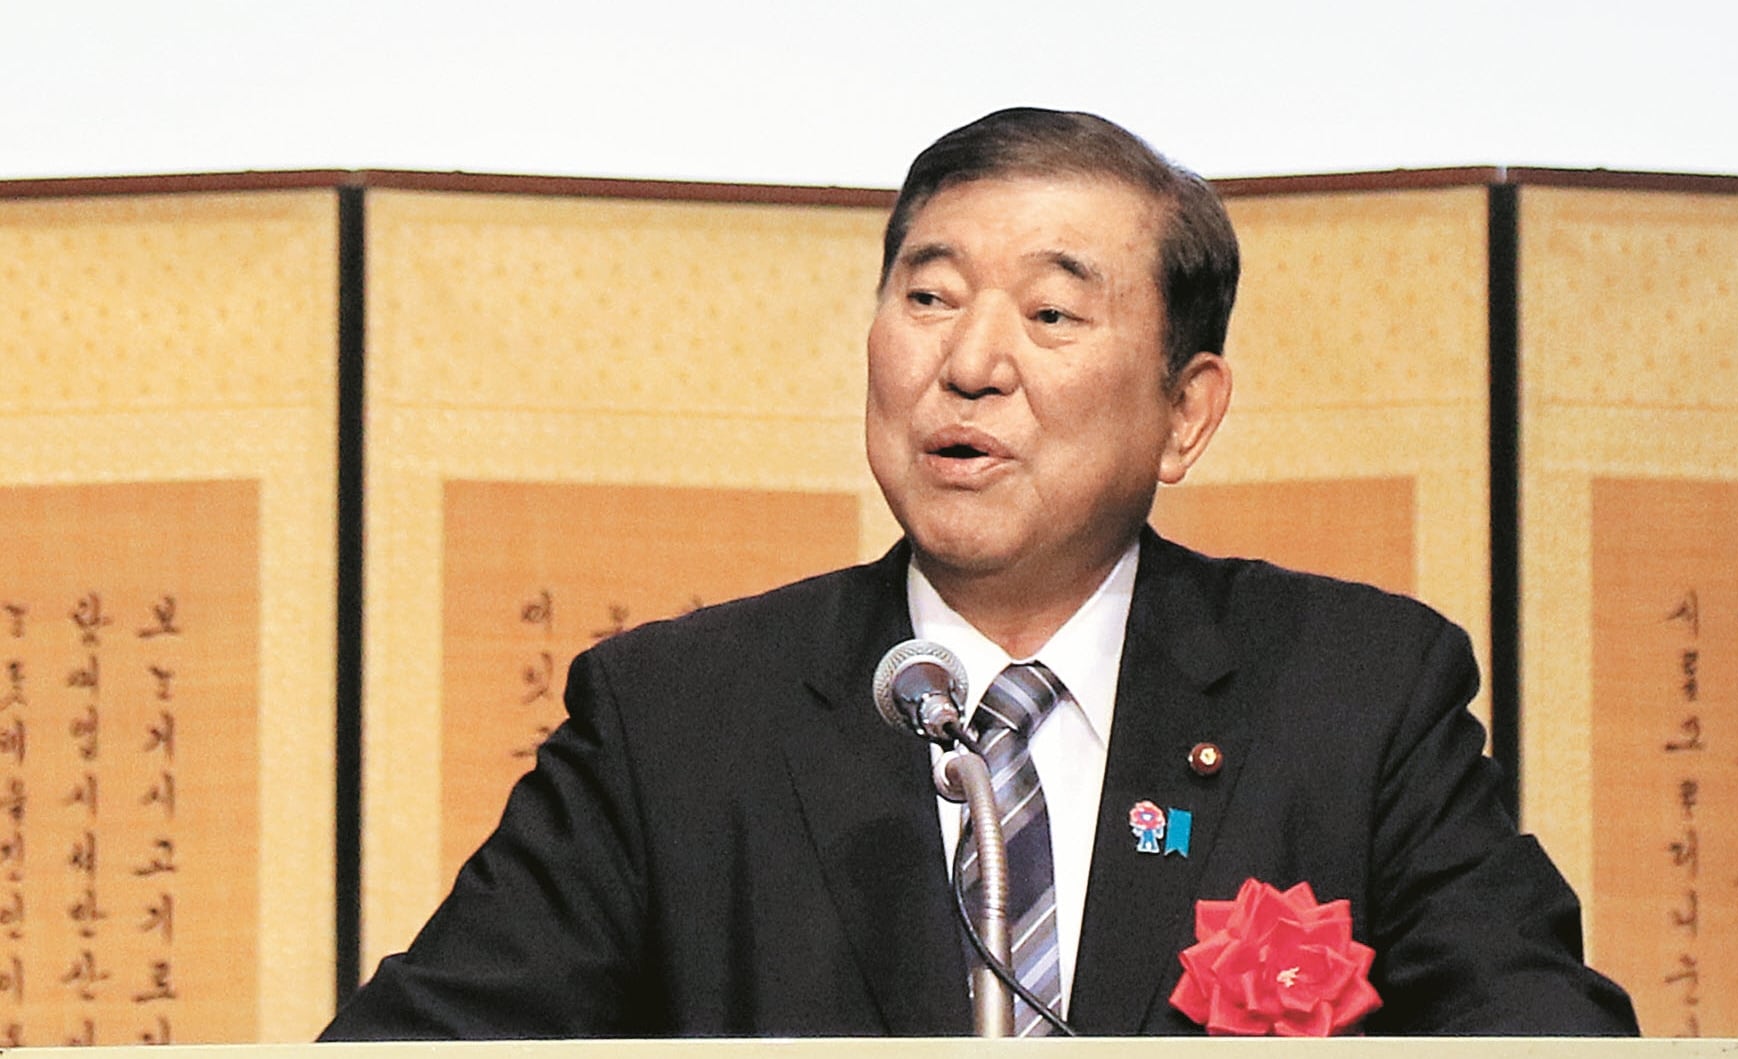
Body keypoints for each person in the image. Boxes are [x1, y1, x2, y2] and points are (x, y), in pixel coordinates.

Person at [322, 108, 1637, 1039]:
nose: (968, 365)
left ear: (1185, 411)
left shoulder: (1355, 695)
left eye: (1051, 313)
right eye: (929, 297)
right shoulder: (674, 718)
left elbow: (1535, 1030)